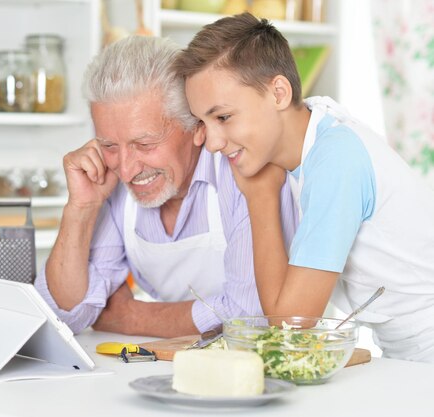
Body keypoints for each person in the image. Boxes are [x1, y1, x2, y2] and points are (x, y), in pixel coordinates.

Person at [176, 13, 434, 361]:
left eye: (222, 117)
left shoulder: (335, 159)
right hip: (405, 352)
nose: (212, 142)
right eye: (203, 122)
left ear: (279, 93)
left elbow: (289, 325)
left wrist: (260, 197)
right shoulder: (312, 135)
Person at [34, 36, 298, 338]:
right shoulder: (108, 181)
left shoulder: (245, 172)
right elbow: (65, 316)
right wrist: (80, 209)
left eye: (144, 144)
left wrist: (128, 316)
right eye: (108, 144)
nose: (127, 168)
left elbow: (252, 316)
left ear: (197, 128)